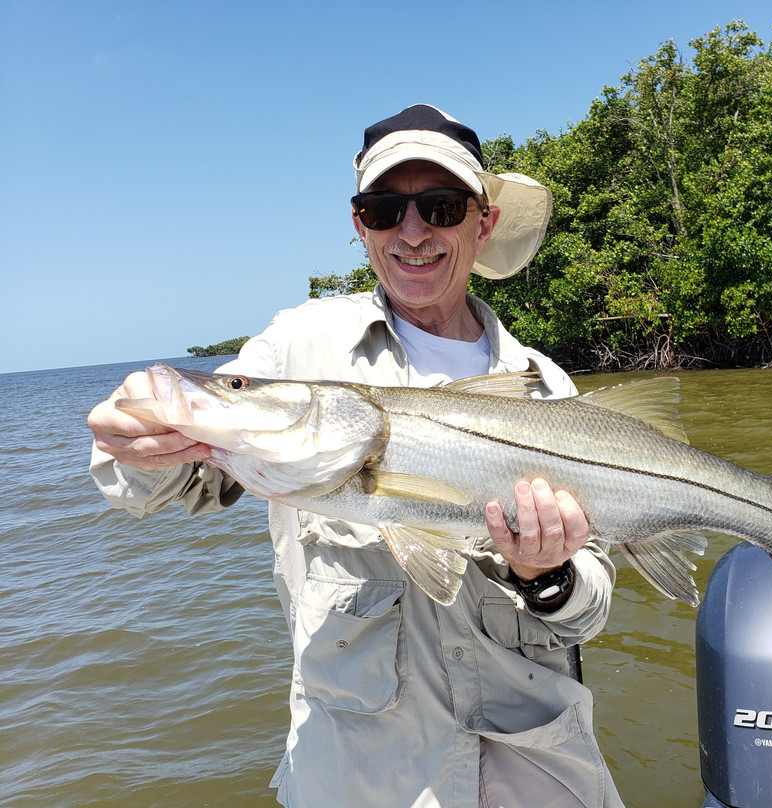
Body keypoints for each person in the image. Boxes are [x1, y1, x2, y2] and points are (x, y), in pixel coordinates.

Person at [87, 104, 625, 808]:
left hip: (540, 771)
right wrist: (135, 443)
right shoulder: (297, 348)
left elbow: (589, 611)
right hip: (360, 779)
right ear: (359, 225)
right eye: (383, 209)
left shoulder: (546, 385)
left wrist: (546, 573)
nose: (413, 232)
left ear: (482, 221)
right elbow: (165, 486)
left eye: (440, 206)